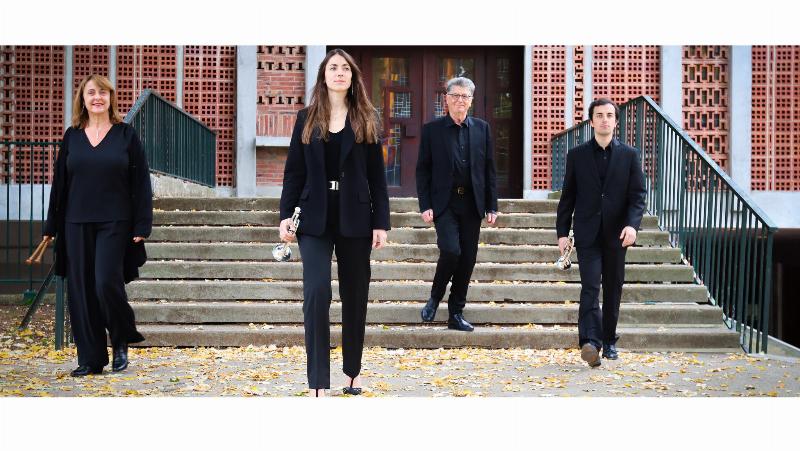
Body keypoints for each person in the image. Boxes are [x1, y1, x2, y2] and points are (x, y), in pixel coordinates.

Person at [279, 48, 390, 397]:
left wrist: (381, 223)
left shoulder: (367, 118)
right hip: (314, 216)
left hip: (356, 216)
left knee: (355, 294)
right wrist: (285, 215)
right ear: (324, 76)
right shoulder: (306, 118)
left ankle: (352, 373)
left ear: (352, 77)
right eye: (333, 67)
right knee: (316, 292)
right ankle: (318, 381)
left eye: (345, 68)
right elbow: (293, 172)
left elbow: (377, 177)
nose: (339, 72)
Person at [43, 74, 153, 376]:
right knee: (81, 291)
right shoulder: (72, 136)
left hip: (115, 222)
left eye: (103, 92)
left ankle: (120, 338)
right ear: (83, 98)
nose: (97, 98)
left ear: (111, 98)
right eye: (91, 92)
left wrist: (142, 225)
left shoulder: (126, 135)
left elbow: (141, 182)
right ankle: (91, 359)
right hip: (75, 222)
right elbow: (60, 184)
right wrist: (51, 226)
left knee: (105, 282)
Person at [555, 98, 646, 367]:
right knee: (590, 287)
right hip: (588, 233)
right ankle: (590, 343)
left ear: (616, 121)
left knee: (613, 288)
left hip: (618, 235)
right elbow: (568, 196)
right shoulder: (577, 155)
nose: (604, 119)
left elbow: (638, 196)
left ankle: (609, 342)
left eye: (609, 115)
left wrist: (632, 225)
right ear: (591, 121)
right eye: (599, 115)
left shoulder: (629, 155)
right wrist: (562, 233)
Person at [416, 77, 499, 332]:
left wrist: (492, 205)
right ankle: (435, 297)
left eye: (465, 96)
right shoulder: (432, 130)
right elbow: (423, 170)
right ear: (446, 99)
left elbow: (489, 169)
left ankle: (456, 312)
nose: (460, 100)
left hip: (472, 203)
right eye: (455, 95)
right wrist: (425, 205)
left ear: (471, 101)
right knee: (451, 251)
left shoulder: (482, 129)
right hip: (445, 203)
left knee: (468, 259)